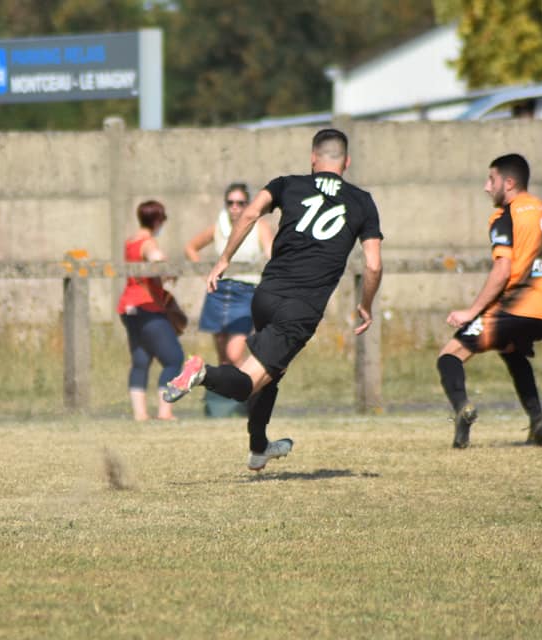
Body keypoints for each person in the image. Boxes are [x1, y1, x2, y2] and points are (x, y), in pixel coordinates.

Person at [163, 129, 383, 471]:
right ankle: (201, 373)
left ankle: (258, 448)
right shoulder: (362, 201)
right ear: (347, 161)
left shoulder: (287, 184)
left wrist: (223, 260)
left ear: (313, 158)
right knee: (247, 382)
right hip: (301, 307)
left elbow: (249, 214)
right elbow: (373, 264)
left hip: (265, 295)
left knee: (272, 372)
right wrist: (366, 305)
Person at [438, 153, 542, 449]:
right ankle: (539, 421)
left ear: (508, 183)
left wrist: (471, 312)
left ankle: (463, 409)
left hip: (517, 307)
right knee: (511, 350)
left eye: (492, 179)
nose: (487, 187)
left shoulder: (506, 216)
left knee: (449, 355)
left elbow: (503, 270)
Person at [184, 182, 273, 417]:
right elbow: (191, 247)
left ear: (248, 204)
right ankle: (223, 408)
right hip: (220, 292)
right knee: (223, 356)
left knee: (235, 355)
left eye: (241, 203)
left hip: (246, 292)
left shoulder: (259, 226)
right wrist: (206, 273)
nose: (235, 208)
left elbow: (271, 254)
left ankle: (249, 401)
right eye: (230, 203)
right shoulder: (219, 227)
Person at [117, 200, 185, 421]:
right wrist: (168, 269)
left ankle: (140, 415)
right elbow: (157, 259)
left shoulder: (130, 242)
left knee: (141, 360)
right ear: (157, 220)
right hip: (147, 306)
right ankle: (165, 412)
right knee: (174, 359)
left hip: (128, 307)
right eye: (163, 219)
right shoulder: (148, 242)